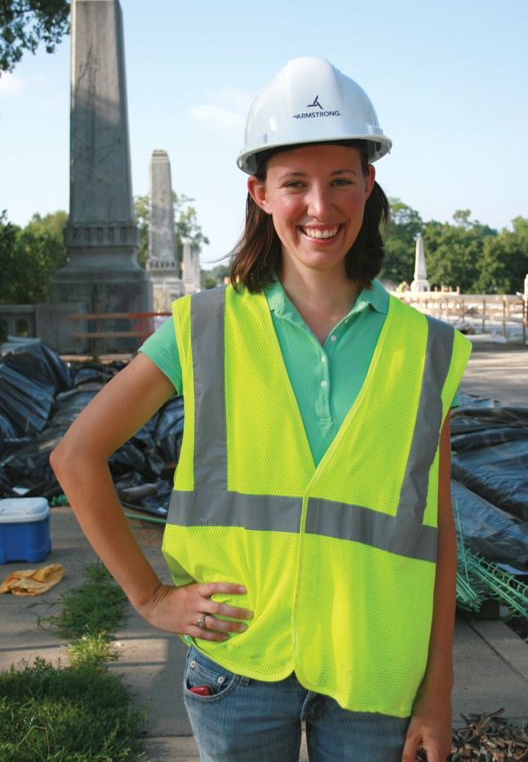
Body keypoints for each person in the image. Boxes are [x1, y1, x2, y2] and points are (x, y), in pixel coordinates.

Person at [51, 57, 471, 762]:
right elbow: (75, 455)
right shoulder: (202, 327)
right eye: (294, 184)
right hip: (237, 665)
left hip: (374, 671)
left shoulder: (426, 350)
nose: (319, 206)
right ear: (259, 192)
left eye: (341, 180)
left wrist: (438, 691)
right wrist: (151, 597)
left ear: (369, 185)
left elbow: (438, 535)